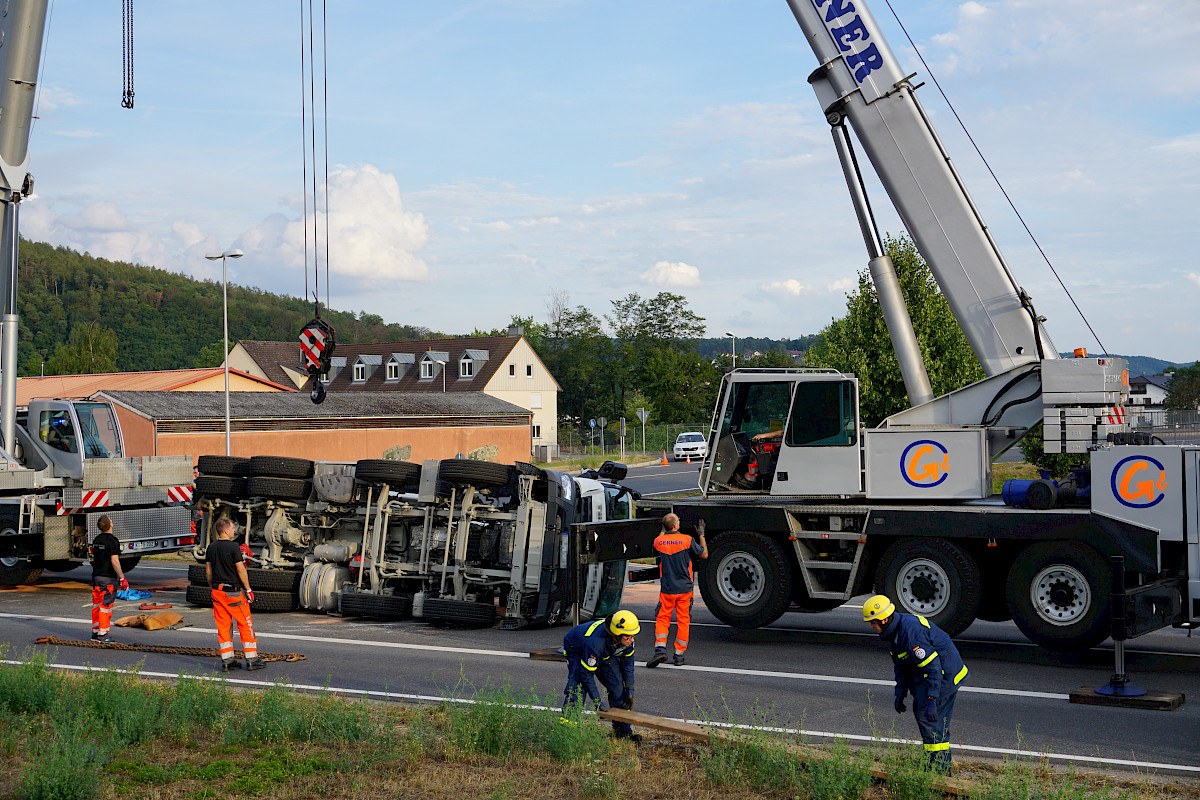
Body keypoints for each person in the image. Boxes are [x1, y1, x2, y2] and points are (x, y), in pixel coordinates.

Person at [864, 595, 968, 774]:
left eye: (873, 622)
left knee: (929, 719)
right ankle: (933, 762)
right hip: (931, 674)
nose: (871, 626)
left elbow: (934, 667)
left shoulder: (910, 634)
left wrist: (932, 698)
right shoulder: (894, 633)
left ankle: (940, 769)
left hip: (945, 675)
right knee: (924, 715)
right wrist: (900, 694)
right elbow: (901, 667)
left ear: (884, 619)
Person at [562, 609, 640, 743]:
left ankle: (623, 732)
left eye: (633, 636)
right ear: (616, 635)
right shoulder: (596, 643)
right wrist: (597, 701)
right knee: (578, 688)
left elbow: (628, 664)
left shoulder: (626, 638)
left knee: (617, 688)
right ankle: (568, 732)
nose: (631, 640)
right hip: (577, 649)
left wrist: (630, 689)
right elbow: (586, 675)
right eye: (628, 637)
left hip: (604, 652)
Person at [647, 513, 707, 667]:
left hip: (667, 589)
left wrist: (663, 530)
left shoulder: (658, 541)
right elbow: (704, 554)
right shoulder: (686, 540)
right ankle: (679, 655)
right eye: (678, 520)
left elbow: (658, 542)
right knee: (683, 621)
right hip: (685, 589)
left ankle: (660, 650)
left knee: (662, 619)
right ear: (675, 526)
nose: (679, 521)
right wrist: (701, 535)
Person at [205, 517, 264, 671]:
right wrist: (249, 589)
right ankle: (252, 659)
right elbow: (240, 569)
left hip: (217, 593)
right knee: (245, 624)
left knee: (223, 626)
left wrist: (213, 588)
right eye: (232, 528)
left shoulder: (211, 547)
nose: (234, 531)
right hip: (233, 593)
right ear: (226, 531)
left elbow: (209, 572)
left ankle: (227, 661)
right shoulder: (234, 547)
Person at [90, 515, 128, 643]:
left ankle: (95, 632)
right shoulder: (112, 541)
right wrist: (122, 578)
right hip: (108, 578)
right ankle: (103, 634)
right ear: (110, 524)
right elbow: (114, 561)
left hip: (96, 577)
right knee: (106, 606)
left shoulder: (96, 540)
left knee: (96, 605)